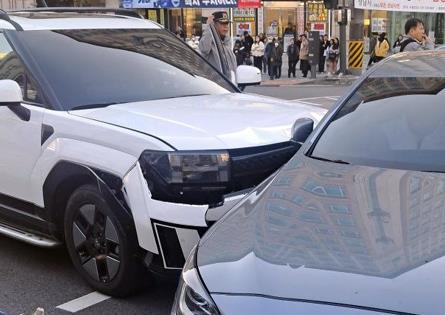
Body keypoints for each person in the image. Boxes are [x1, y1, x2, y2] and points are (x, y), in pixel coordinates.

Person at [198, 11, 237, 78]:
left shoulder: (227, 42)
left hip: (228, 85)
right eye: (222, 23)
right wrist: (210, 28)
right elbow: (204, 49)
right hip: (213, 85)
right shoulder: (209, 43)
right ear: (214, 24)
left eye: (227, 23)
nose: (226, 26)